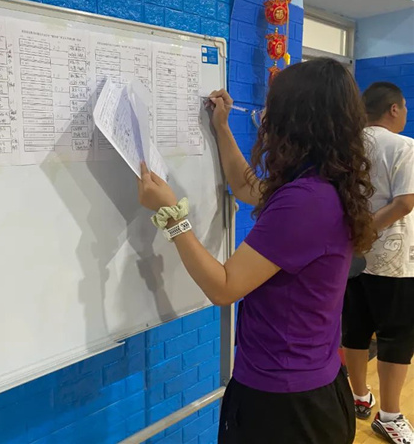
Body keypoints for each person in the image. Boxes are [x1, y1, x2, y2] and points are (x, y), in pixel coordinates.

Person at [137, 58, 376, 444]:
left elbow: (224, 287)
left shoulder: (304, 202)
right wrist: (221, 128)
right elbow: (246, 186)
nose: (263, 118)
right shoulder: (322, 185)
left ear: (294, 120)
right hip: (309, 390)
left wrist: (173, 217)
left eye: (271, 108)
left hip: (286, 406)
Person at [342, 82, 414, 443]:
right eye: (404, 108)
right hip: (394, 263)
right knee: (396, 336)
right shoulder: (404, 146)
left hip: (349, 259)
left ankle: (358, 396)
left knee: (355, 329)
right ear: (394, 109)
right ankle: (389, 415)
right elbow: (404, 203)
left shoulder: (345, 146)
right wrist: (366, 232)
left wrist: (354, 238)